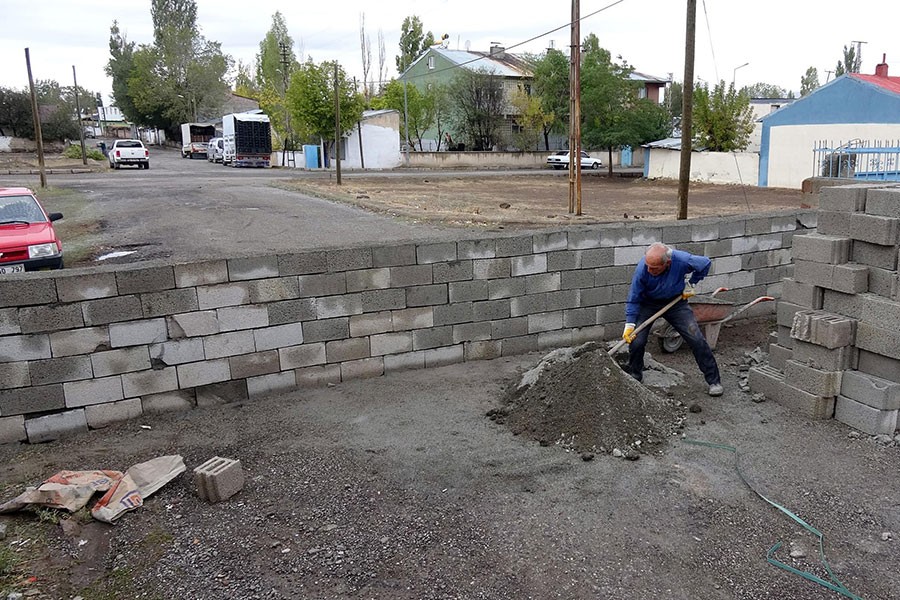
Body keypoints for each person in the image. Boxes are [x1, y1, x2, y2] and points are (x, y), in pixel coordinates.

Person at [622, 242, 723, 396]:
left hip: (675, 303)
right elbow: (633, 298)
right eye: (648, 266)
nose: (650, 270)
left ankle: (714, 380)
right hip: (647, 304)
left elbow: (705, 263)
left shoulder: (681, 260)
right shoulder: (643, 269)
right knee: (637, 341)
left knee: (696, 338)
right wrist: (630, 323)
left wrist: (691, 283)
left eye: (654, 268)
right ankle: (636, 374)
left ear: (667, 263)